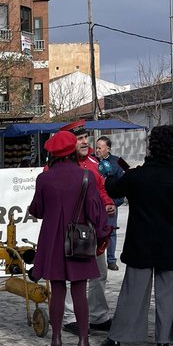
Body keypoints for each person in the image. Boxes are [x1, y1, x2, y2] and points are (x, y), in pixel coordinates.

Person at [101, 125, 173, 346]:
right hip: (171, 245)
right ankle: (163, 343)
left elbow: (111, 186)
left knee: (133, 293)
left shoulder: (137, 177)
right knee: (167, 295)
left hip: (140, 243)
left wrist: (121, 172)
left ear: (153, 146)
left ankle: (117, 338)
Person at [27, 130, 109, 346]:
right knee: (80, 291)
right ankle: (83, 342)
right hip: (78, 240)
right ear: (73, 149)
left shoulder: (44, 178)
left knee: (58, 290)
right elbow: (95, 211)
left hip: (52, 240)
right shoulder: (86, 177)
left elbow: (38, 210)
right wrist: (104, 232)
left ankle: (56, 339)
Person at [58, 122, 115, 334]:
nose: (84, 142)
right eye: (79, 138)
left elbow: (100, 188)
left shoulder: (93, 162)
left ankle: (98, 315)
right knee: (72, 273)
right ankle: (71, 317)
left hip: (94, 225)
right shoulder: (57, 165)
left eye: (85, 138)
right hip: (71, 226)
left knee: (100, 272)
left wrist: (107, 202)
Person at [94, 137, 125, 270]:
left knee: (111, 232)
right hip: (95, 204)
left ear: (108, 149)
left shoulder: (119, 161)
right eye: (96, 147)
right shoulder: (91, 160)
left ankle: (111, 260)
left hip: (111, 204)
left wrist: (116, 201)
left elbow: (127, 179)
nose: (97, 150)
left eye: (100, 148)